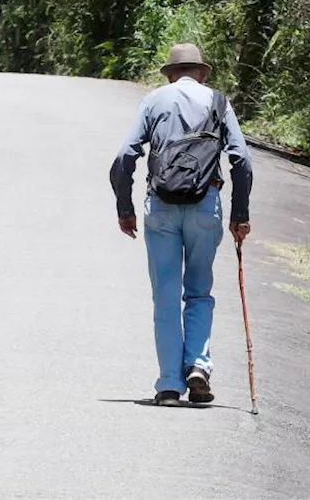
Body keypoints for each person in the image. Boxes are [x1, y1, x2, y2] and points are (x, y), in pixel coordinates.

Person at [110, 43, 253, 407]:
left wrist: (125, 208)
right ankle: (199, 367)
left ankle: (169, 385)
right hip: (205, 206)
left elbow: (125, 157)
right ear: (202, 73)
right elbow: (242, 162)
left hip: (160, 207)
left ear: (170, 74)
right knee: (200, 292)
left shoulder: (154, 101)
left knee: (166, 297)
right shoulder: (219, 102)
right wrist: (240, 216)